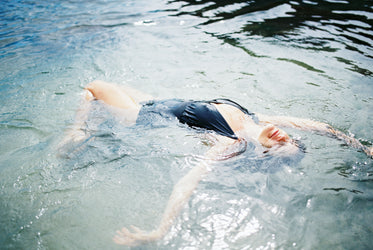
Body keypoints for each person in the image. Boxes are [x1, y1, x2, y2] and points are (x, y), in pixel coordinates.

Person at [61, 80, 372, 246]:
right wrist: (361, 146)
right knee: (108, 88)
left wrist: (158, 230)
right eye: (289, 140)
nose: (283, 137)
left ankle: (76, 131)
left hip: (144, 117)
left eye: (280, 146)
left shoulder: (231, 143)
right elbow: (317, 126)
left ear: (262, 153)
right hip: (161, 100)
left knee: (93, 88)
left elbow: (190, 180)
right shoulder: (258, 121)